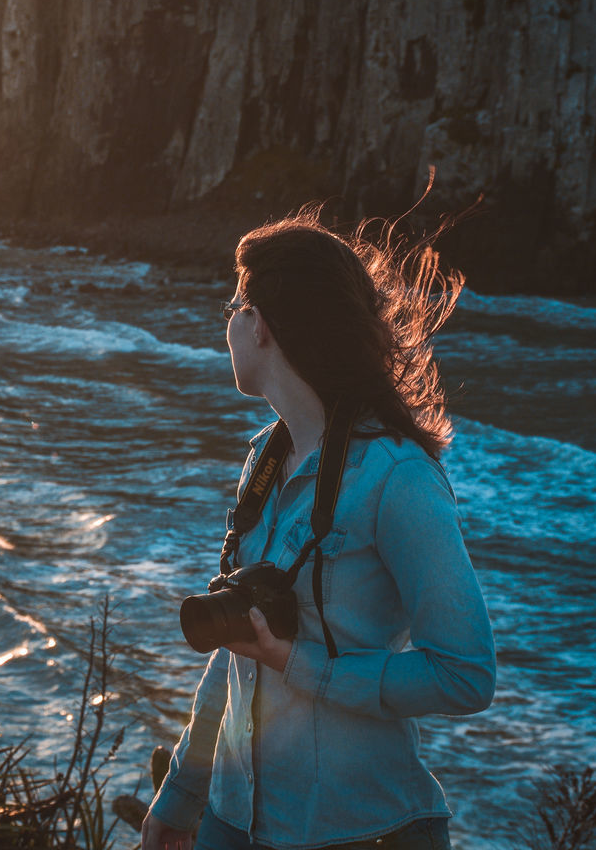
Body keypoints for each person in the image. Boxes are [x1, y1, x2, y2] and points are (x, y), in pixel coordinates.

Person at [142, 209, 496, 850]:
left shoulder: (398, 478)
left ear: (266, 328)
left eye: (238, 305)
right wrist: (185, 795)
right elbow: (236, 652)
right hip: (232, 821)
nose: (229, 323)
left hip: (359, 830)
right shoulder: (263, 462)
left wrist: (305, 665)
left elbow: (466, 673)